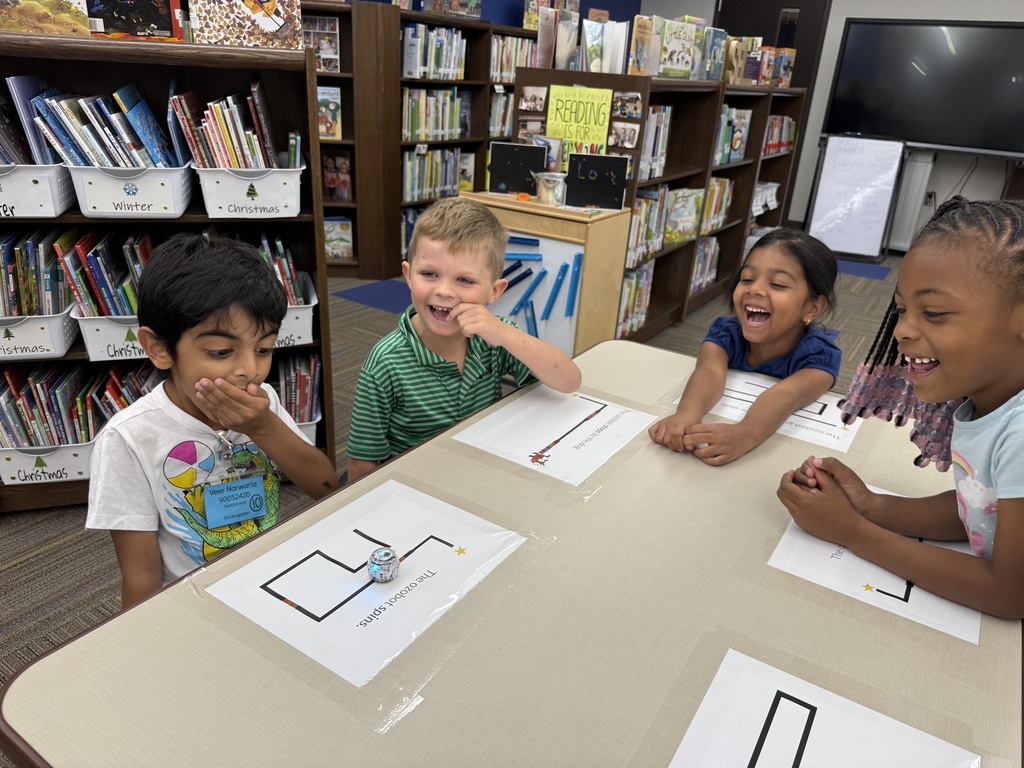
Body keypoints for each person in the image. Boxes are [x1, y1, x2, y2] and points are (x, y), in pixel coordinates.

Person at [778, 197, 1024, 618]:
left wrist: (851, 531)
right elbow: (982, 506)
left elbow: (1010, 593)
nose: (903, 330)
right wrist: (871, 505)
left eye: (933, 312)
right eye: (901, 310)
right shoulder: (990, 402)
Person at [87, 233, 339, 609]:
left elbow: (326, 487)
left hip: (270, 580)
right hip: (195, 604)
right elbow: (140, 579)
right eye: (221, 351)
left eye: (264, 348)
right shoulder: (129, 439)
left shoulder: (262, 402)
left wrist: (263, 427)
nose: (250, 370)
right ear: (159, 348)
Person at [346, 196, 582, 483]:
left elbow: (569, 381)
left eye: (465, 280)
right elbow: (361, 462)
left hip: (481, 472)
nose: (444, 291)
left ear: (495, 292)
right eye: (429, 274)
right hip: (415, 486)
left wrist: (506, 334)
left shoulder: (496, 338)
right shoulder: (385, 362)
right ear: (408, 275)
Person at [649, 228, 840, 465]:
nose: (754, 289)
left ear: (812, 308)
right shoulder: (726, 333)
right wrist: (687, 415)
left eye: (778, 284)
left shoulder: (820, 356)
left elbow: (786, 395)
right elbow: (709, 371)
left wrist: (745, 434)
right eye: (747, 279)